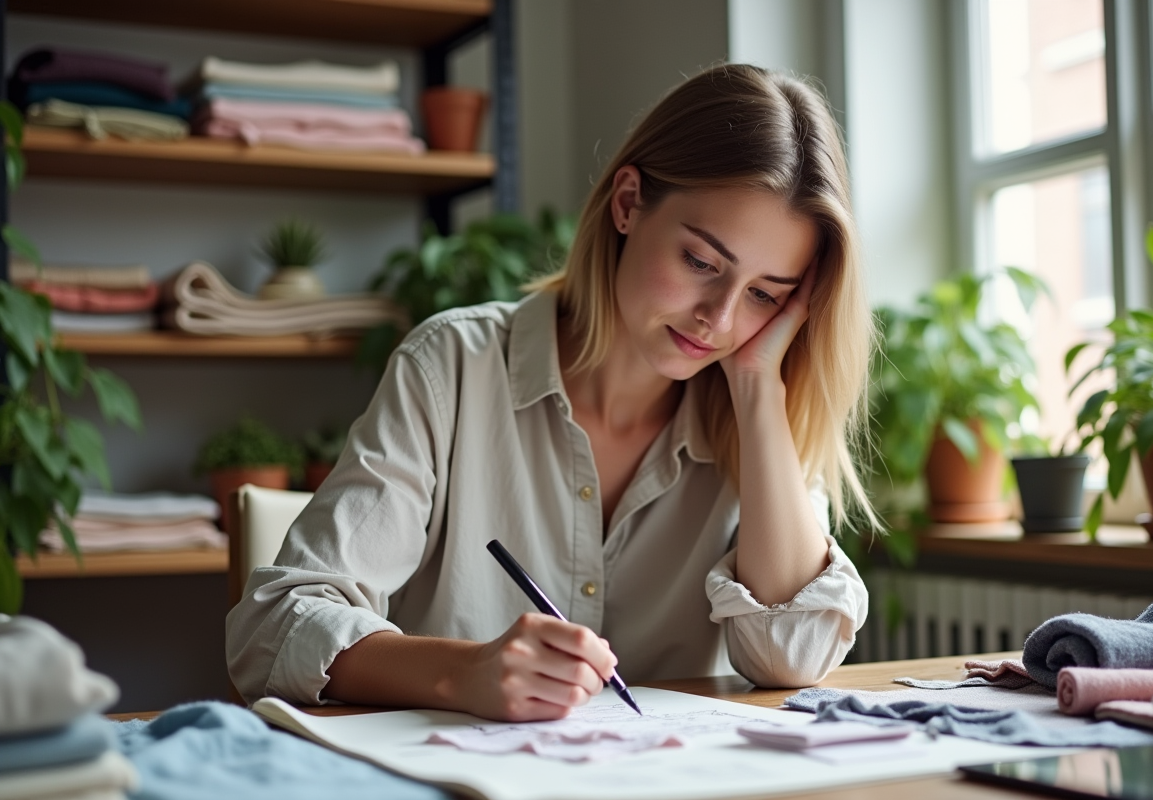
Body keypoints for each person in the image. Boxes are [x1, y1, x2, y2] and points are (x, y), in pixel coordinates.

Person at [227, 63, 875, 722]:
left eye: (766, 294)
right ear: (627, 204)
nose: (722, 318)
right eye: (701, 263)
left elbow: (790, 660)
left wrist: (759, 390)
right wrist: (463, 673)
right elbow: (274, 628)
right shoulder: (452, 366)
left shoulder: (763, 421)